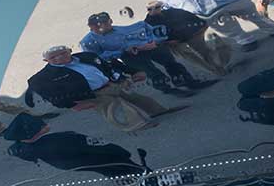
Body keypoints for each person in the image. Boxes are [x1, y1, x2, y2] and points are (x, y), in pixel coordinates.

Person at [24, 45, 181, 132]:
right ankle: (137, 125)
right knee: (115, 108)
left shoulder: (87, 56)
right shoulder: (43, 77)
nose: (59, 58)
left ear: (69, 51)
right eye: (53, 57)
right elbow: (52, 95)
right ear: (46, 60)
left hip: (111, 84)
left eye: (62, 53)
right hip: (91, 94)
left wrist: (132, 72)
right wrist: (73, 105)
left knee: (136, 98)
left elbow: (112, 64)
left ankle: (158, 111)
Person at [79, 11, 214, 97]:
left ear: (110, 21)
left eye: (103, 23)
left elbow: (149, 32)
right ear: (89, 26)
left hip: (146, 48)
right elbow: (97, 58)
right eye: (96, 25)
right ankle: (167, 88)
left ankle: (186, 81)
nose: (100, 27)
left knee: (170, 62)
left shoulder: (121, 29)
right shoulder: (88, 41)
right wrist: (122, 51)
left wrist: (152, 42)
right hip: (128, 56)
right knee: (152, 72)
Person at [0, 113, 148, 179]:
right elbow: (92, 146)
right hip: (89, 156)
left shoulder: (24, 147)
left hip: (70, 164)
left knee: (104, 168)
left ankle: (122, 179)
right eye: (41, 125)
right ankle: (144, 176)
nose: (45, 125)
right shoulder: (60, 140)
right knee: (116, 163)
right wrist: (120, 151)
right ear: (33, 133)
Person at [144, 0, 232, 76]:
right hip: (174, 42)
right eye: (150, 9)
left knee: (205, 52)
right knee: (191, 57)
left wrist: (201, 28)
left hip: (191, 35)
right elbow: (151, 38)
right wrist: (166, 42)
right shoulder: (147, 23)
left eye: (157, 7)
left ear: (161, 7)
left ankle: (220, 67)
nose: (153, 10)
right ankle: (213, 70)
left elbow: (192, 17)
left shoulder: (173, 12)